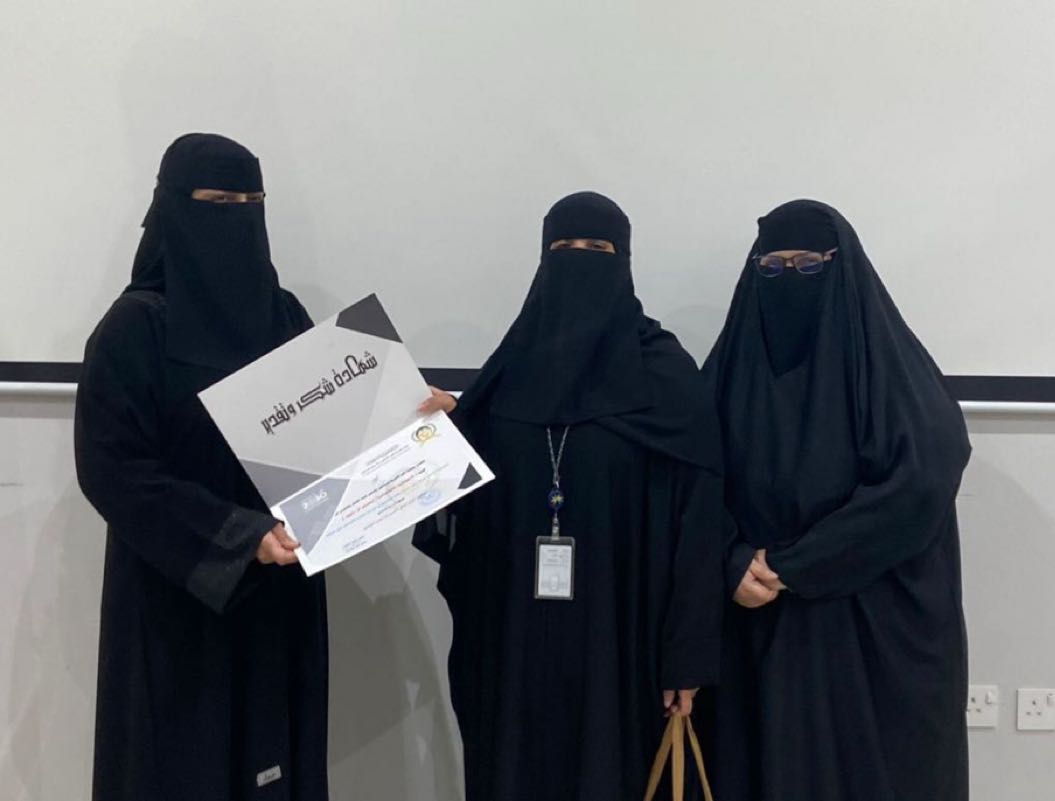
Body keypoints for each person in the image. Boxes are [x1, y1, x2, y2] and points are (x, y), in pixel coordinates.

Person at [414, 191, 727, 801]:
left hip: (623, 636)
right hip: (513, 634)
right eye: (564, 247)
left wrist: (686, 657)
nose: (578, 260)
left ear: (624, 261)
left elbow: (699, 523)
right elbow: (474, 492)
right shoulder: (510, 372)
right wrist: (451, 425)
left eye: (596, 248)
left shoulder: (664, 377)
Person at [75, 134, 329, 801]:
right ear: (173, 209)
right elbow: (112, 470)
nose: (238, 218)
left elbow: (329, 442)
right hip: (176, 599)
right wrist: (239, 536)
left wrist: (409, 428)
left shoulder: (287, 318)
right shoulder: (134, 330)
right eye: (219, 202)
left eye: (252, 203)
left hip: (279, 598)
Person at [704, 199, 971, 801]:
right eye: (771, 268)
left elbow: (920, 482)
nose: (788, 280)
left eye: (807, 265)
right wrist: (731, 557)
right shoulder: (728, 375)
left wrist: (796, 565)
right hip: (755, 623)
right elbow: (691, 482)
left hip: (870, 629)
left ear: (842, 269)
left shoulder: (892, 375)